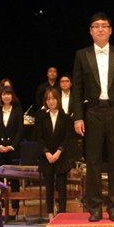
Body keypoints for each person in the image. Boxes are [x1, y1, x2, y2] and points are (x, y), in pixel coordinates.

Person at [71, 12, 114, 222]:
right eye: (96, 26)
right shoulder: (82, 55)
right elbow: (77, 90)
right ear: (90, 31)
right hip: (92, 113)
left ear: (110, 30)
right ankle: (95, 208)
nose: (100, 29)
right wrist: (78, 118)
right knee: (93, 162)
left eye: (104, 26)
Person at [35, 88, 73, 217]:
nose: (51, 101)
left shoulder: (65, 117)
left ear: (58, 100)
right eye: (48, 99)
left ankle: (62, 214)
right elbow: (39, 138)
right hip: (46, 157)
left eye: (53, 98)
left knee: (62, 188)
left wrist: (58, 152)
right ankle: (50, 214)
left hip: (60, 156)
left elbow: (67, 137)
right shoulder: (42, 118)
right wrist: (47, 153)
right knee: (49, 188)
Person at [0, 86, 24, 214]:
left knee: (14, 179)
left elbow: (20, 131)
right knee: (0, 180)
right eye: (4, 94)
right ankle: (2, 207)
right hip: (0, 150)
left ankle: (15, 207)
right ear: (1, 96)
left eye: (8, 94)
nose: (6, 96)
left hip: (13, 150)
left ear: (12, 96)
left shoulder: (17, 111)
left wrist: (12, 146)